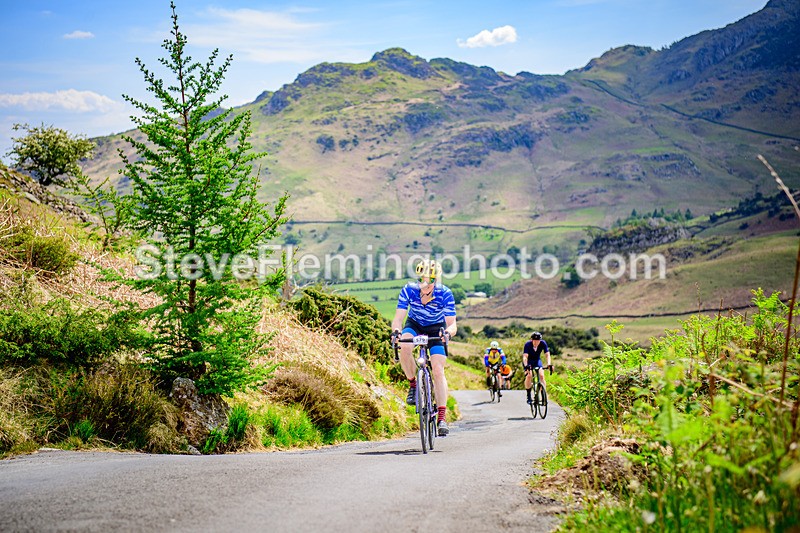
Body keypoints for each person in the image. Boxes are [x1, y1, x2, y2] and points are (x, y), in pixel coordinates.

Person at [391, 258, 458, 436]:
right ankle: (413, 385)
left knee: (438, 370)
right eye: (422, 279)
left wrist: (447, 333)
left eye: (430, 280)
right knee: (404, 346)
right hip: (415, 324)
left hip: (437, 328)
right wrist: (396, 332)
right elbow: (398, 318)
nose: (426, 284)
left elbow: (452, 324)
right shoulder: (409, 290)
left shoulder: (445, 293)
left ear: (436, 280)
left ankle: (442, 418)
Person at [522, 331, 552, 405]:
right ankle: (528, 395)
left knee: (541, 376)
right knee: (529, 376)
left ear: (540, 340)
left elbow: (547, 354)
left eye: (538, 340)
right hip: (528, 361)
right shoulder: (527, 344)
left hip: (537, 360)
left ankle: (543, 395)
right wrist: (526, 365)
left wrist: (549, 364)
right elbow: (525, 356)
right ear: (531, 340)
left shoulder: (543, 343)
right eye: (534, 340)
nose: (536, 342)